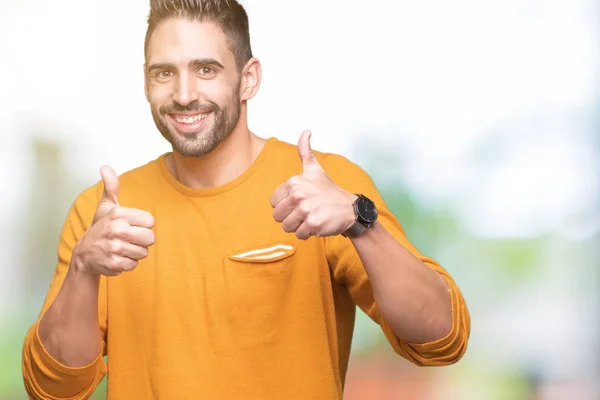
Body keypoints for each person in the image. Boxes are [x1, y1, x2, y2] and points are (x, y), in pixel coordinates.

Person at [21, 0, 470, 399]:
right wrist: (83, 268)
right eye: (164, 73)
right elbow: (53, 390)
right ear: (145, 83)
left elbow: (441, 339)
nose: (183, 94)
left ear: (248, 78)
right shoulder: (104, 214)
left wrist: (358, 221)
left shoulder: (323, 188)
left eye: (206, 69)